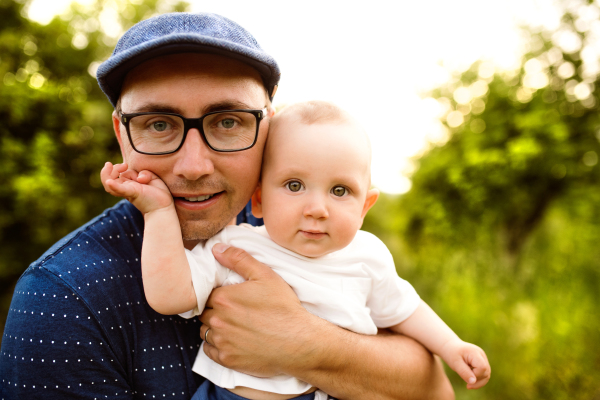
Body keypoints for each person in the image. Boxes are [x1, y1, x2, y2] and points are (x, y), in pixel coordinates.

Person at [0, 12, 455, 400]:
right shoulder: (61, 301)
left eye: (228, 122)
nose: (194, 165)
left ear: (268, 130)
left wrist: (307, 345)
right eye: (159, 124)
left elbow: (438, 390)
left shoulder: (300, 226)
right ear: (122, 135)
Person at [101, 101, 490, 400]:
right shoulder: (235, 246)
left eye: (340, 191)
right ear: (258, 201)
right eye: (293, 185)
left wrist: (452, 345)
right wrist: (158, 213)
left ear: (365, 207)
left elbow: (406, 310)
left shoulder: (367, 256)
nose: (317, 208)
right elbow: (170, 296)